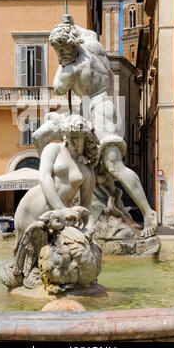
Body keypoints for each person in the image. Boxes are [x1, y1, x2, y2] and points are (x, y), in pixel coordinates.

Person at [49, 14, 158, 238]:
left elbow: (57, 88)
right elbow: (89, 32)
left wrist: (62, 63)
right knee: (99, 167)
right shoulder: (91, 43)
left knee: (113, 166)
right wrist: (71, 24)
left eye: (63, 52)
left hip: (99, 111)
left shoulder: (73, 67)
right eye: (59, 53)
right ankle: (107, 206)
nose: (62, 56)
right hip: (106, 109)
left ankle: (149, 213)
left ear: (71, 46)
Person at [14, 115, 99, 250]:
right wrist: (60, 209)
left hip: (60, 219)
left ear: (86, 137)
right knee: (25, 258)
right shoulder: (54, 149)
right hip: (31, 209)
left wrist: (89, 226)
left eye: (75, 136)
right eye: (68, 135)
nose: (71, 140)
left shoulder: (87, 170)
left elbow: (86, 204)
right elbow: (44, 177)